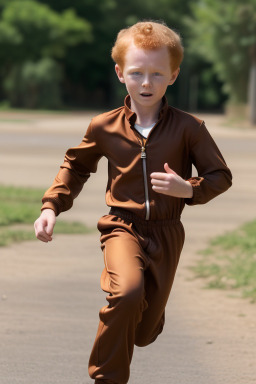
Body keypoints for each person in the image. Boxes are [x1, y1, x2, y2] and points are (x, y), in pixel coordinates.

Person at [34, 21, 232, 384]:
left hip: (167, 232)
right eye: (137, 73)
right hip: (121, 227)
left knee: (142, 332)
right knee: (126, 293)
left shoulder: (190, 128)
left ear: (173, 75)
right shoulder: (104, 126)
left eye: (157, 74)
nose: (146, 83)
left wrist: (187, 189)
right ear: (120, 72)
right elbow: (75, 168)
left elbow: (221, 176)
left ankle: (147, 316)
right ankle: (107, 378)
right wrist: (51, 207)